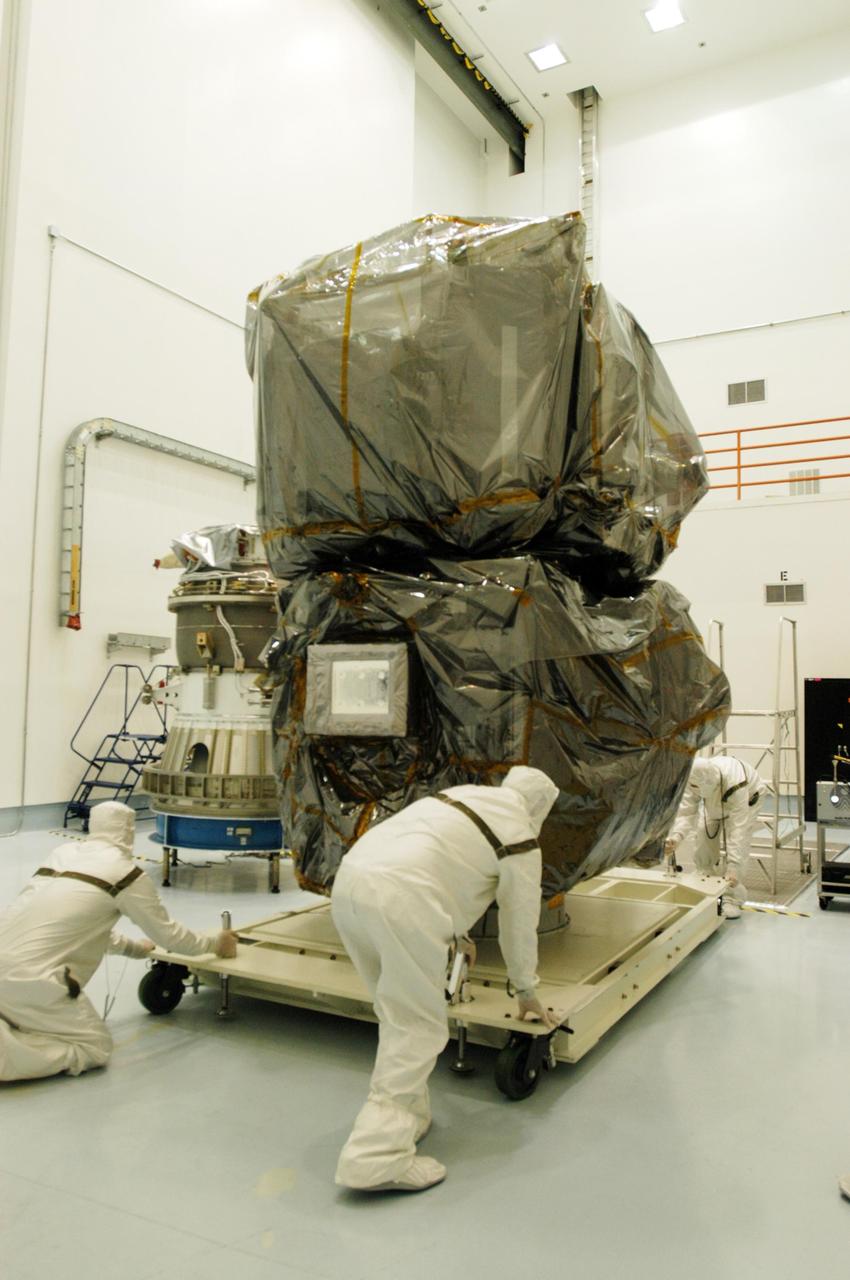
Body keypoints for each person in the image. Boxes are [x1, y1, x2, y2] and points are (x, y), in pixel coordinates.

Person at [330, 765, 560, 1194]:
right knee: (417, 1026)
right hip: (404, 901)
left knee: (395, 1012)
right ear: (539, 809)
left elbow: (441, 858)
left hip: (351, 882)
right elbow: (518, 922)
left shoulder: (461, 796)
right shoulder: (521, 836)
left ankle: (409, 1118)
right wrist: (526, 991)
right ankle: (375, 1158)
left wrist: (456, 932)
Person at [0, 801, 237, 1082]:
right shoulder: (125, 874)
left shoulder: (61, 855)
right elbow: (168, 935)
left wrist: (136, 949)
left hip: (10, 965)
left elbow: (82, 926)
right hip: (32, 980)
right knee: (93, 1048)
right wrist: (215, 944)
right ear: (129, 832)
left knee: (24, 1015)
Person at [664, 755, 765, 918]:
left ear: (708, 783)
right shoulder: (693, 777)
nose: (694, 788)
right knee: (703, 830)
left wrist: (734, 866)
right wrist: (677, 837)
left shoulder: (736, 783)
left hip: (748, 797)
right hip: (715, 797)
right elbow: (686, 812)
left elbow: (738, 832)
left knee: (740, 836)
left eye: (697, 787)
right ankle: (704, 875)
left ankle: (732, 896)